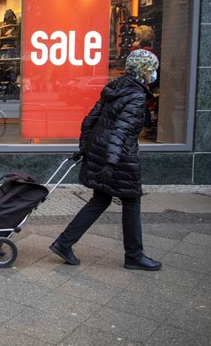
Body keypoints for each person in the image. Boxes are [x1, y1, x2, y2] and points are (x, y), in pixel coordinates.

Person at [49, 49, 162, 271]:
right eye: (152, 69)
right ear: (144, 71)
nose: (154, 74)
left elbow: (89, 120)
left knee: (101, 199)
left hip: (101, 151)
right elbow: (120, 132)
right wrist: (111, 164)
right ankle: (134, 256)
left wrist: (85, 147)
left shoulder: (116, 88)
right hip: (119, 157)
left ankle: (64, 243)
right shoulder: (136, 96)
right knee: (131, 201)